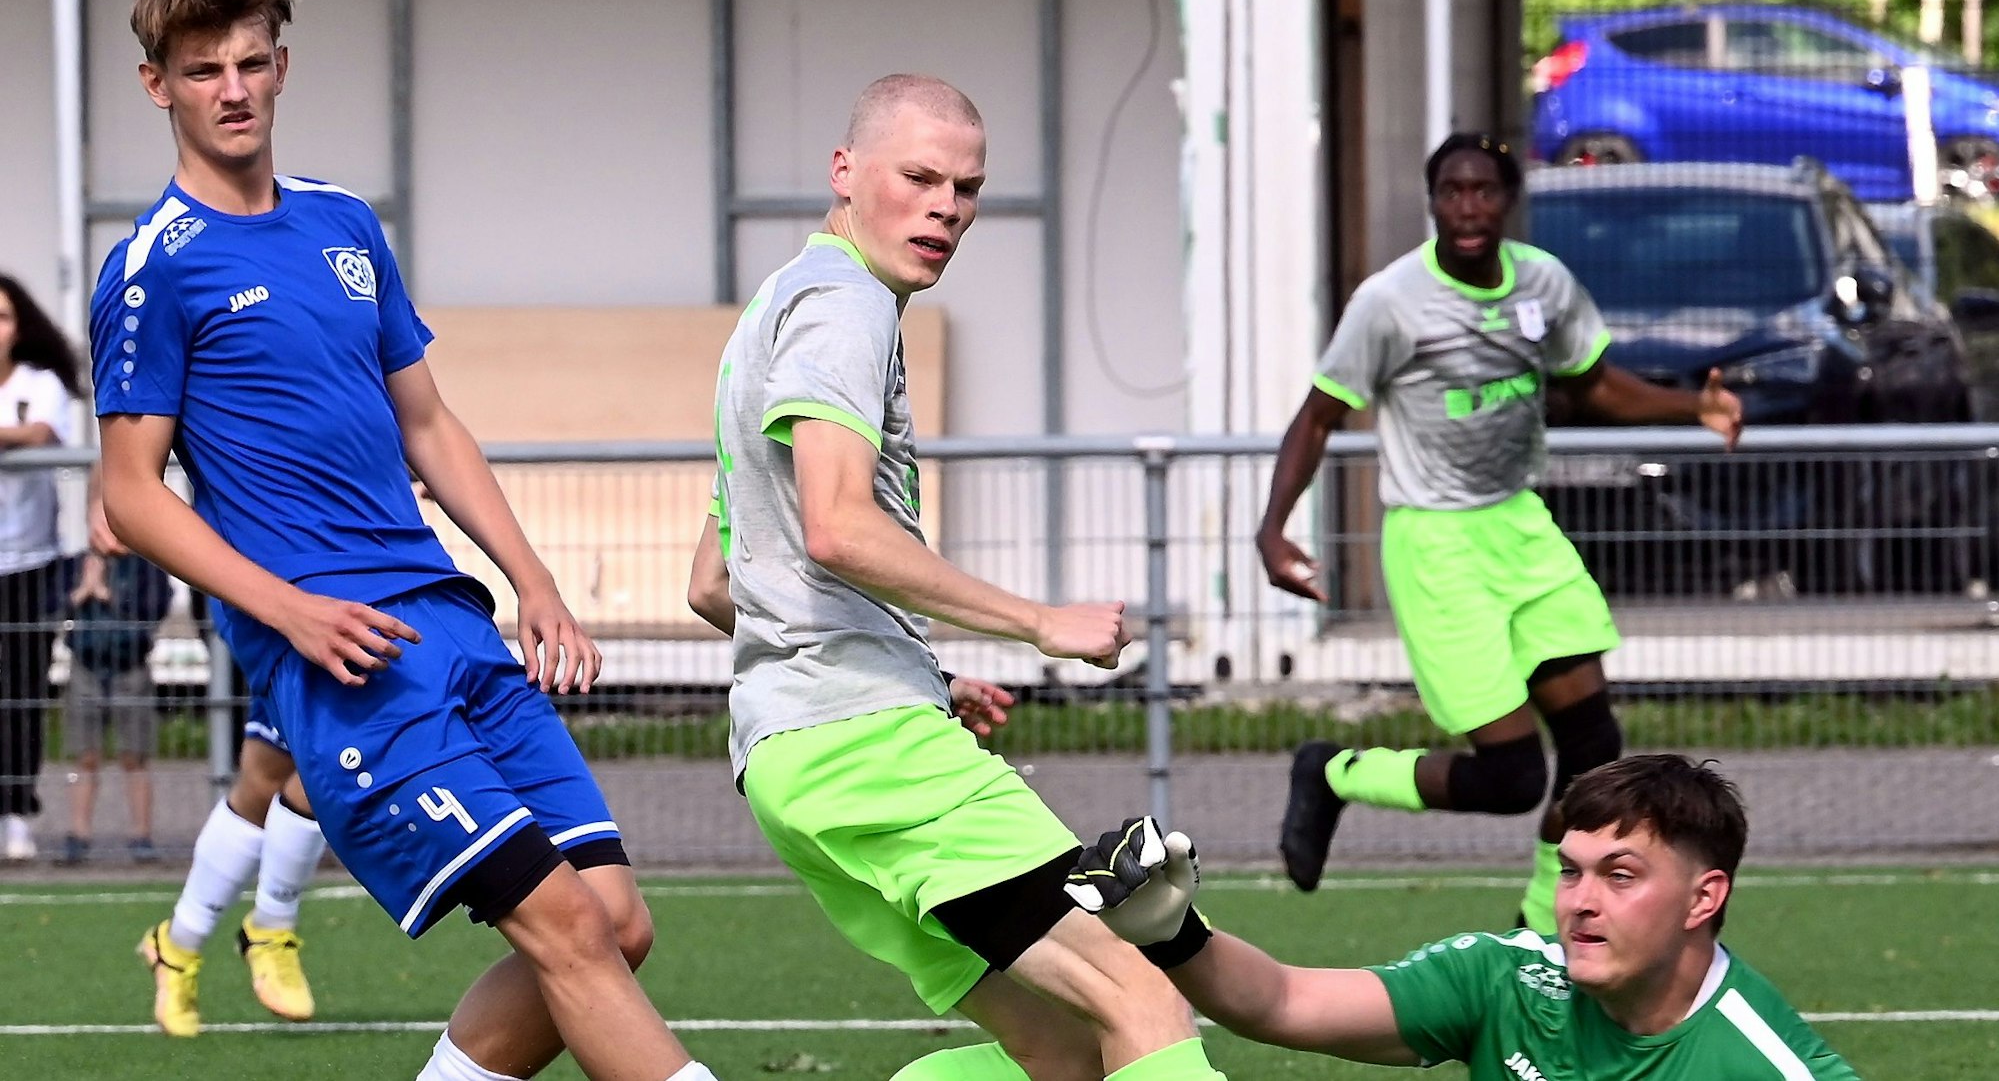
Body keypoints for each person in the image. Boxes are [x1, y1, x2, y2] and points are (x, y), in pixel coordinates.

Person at [92, 0, 717, 1078]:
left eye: (249, 63)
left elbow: (429, 424)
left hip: (456, 625)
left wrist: (535, 581)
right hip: (347, 659)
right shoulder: (151, 271)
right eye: (202, 72)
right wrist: (293, 613)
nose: (231, 89)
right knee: (567, 930)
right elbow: (130, 493)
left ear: (280, 67)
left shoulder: (343, 222)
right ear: (159, 87)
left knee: (617, 923)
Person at [688, 73, 1228, 1081]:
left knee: (1060, 1050)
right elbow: (837, 528)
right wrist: (1039, 622)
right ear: (845, 172)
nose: (945, 206)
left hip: (793, 755)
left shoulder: (771, 310)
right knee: (1140, 997)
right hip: (869, 750)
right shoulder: (846, 305)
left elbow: (714, 580)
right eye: (920, 176)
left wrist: (916, 672)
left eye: (967, 187)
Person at [1257, 133, 1745, 932]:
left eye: (1483, 190)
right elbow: (1316, 418)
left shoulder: (1544, 284)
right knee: (1515, 777)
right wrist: (1274, 531)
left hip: (1519, 524)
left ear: (1508, 199)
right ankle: (1335, 771)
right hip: (1436, 544)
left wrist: (1693, 404)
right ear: (1432, 202)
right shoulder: (1390, 301)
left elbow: (1594, 389)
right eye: (1451, 191)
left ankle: (1538, 932)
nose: (1468, 207)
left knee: (1593, 745)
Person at [1068, 755, 1860, 1079]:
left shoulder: (1763, 1066)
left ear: (1703, 898)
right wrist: (1173, 933)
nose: (1580, 902)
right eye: (1572, 872)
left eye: (1620, 877)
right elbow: (1279, 1001)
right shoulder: (1507, 976)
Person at [64, 464, 329, 1036]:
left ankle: (176, 948)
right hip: (266, 576)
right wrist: (101, 498)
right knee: (332, 755)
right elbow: (129, 430)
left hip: (342, 571)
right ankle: (270, 927)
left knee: (263, 780)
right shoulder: (214, 373)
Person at [0, 274, 85, 863]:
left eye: (3, 317)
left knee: (22, 693)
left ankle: (16, 813)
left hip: (28, 561)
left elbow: (43, 431)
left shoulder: (40, 382)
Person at [57, 498, 174, 866]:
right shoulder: (76, 564)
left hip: (129, 667)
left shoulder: (146, 567)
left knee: (134, 756)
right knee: (85, 755)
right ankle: (78, 834)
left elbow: (154, 611)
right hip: (86, 665)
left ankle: (141, 834)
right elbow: (51, 606)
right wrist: (83, 591)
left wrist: (110, 596)